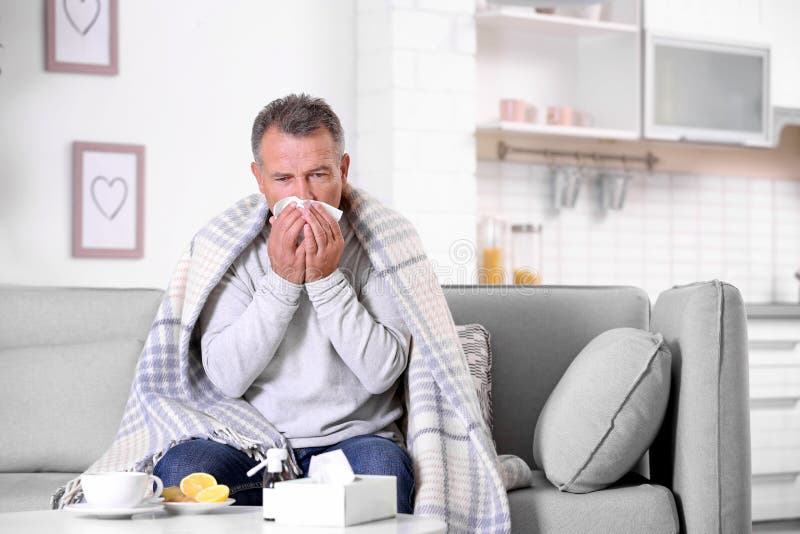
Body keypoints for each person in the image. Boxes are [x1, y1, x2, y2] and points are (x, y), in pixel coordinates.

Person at [152, 94, 414, 513]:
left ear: (343, 170)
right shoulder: (229, 247)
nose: (304, 196)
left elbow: (382, 372)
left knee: (384, 473)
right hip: (248, 440)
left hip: (354, 439)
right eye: (284, 179)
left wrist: (327, 280)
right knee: (181, 470)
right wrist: (282, 281)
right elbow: (226, 379)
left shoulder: (382, 244)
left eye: (318, 174)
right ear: (259, 178)